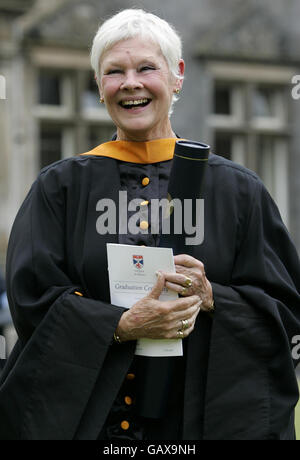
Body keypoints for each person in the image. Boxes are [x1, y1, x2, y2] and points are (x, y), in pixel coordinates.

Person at [0, 8, 299, 441]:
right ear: (100, 88)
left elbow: (284, 314)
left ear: (178, 76)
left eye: (146, 68)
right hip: (94, 429)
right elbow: (32, 303)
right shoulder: (59, 189)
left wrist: (213, 297)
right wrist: (120, 326)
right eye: (113, 72)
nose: (130, 83)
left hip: (194, 427)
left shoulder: (239, 192)